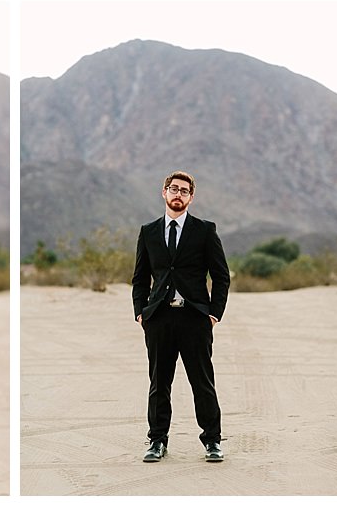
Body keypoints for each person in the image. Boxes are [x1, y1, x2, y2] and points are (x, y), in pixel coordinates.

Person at [131, 170, 230, 463]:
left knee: (202, 382)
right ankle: (157, 441)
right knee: (159, 383)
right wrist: (140, 312)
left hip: (195, 319)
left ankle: (212, 441)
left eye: (184, 191)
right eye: (173, 189)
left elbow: (221, 277)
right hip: (159, 318)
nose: (178, 194)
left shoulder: (205, 230)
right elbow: (140, 277)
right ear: (164, 192)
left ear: (191, 197)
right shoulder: (148, 231)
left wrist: (214, 314)